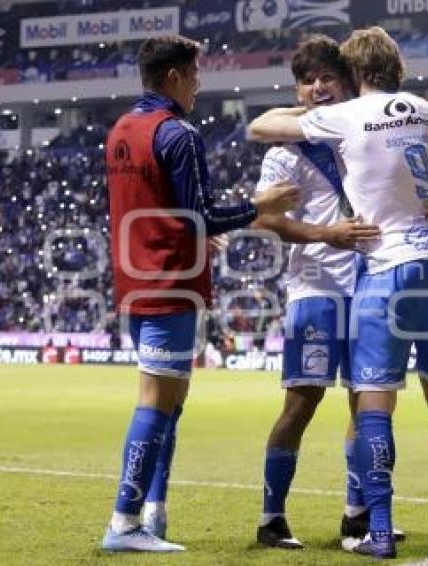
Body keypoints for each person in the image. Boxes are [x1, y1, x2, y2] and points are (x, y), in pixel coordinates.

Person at [249, 26, 428, 558]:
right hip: (327, 286)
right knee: (307, 403)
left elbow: (412, 177)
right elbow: (266, 205)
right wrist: (327, 232)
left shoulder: (350, 121)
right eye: (307, 82)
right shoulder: (305, 143)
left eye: (328, 77)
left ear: (351, 79)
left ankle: (362, 520)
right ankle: (273, 516)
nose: (319, 88)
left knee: (370, 406)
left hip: (375, 278)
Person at [101, 35, 299, 553]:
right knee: (155, 402)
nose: (198, 83)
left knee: (171, 402)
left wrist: (189, 228)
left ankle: (152, 510)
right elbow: (202, 214)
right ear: (174, 78)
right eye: (195, 73)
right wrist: (261, 204)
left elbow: (160, 206)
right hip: (169, 280)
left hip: (135, 277)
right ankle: (124, 522)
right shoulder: (178, 133)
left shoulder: (122, 129)